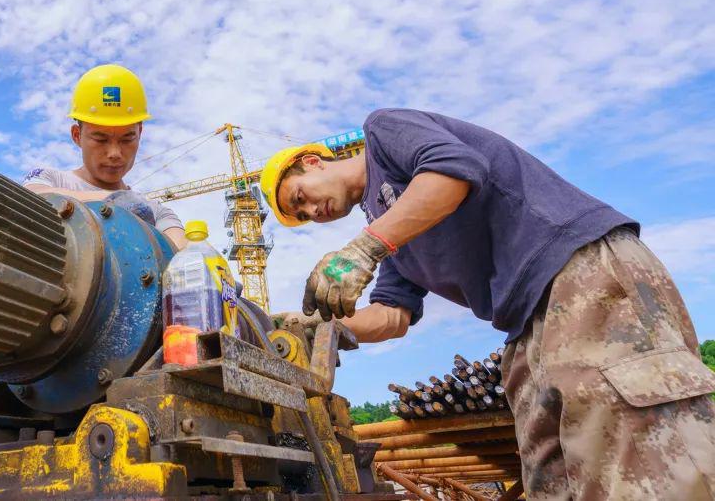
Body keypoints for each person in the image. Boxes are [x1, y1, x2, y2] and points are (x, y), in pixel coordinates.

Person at [261, 108, 715, 500]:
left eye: (300, 198)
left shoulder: (383, 133)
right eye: (302, 217)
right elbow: (392, 314)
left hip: (580, 270)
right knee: (551, 472)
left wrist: (365, 249)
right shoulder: (388, 223)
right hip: (524, 320)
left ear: (313, 161)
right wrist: (317, 325)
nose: (311, 213)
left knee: (636, 450)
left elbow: (455, 168)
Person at [23, 64, 187, 249]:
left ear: (139, 133)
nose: (115, 153)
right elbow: (31, 196)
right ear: (77, 135)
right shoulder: (51, 180)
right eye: (100, 139)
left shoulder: (156, 212)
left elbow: (179, 252)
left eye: (127, 138)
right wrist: (115, 202)